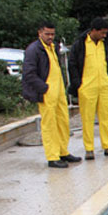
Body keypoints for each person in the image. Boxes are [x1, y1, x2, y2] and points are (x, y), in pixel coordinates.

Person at [22, 21, 81, 168]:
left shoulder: (52, 47)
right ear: (40, 33)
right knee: (49, 124)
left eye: (52, 34)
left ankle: (63, 151)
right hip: (47, 91)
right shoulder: (34, 49)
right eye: (47, 34)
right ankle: (52, 156)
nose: (50, 37)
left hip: (59, 90)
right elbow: (29, 73)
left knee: (62, 122)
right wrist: (44, 88)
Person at [68, 18, 108, 160]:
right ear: (94, 31)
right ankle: (89, 148)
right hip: (87, 86)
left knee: (107, 118)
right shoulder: (80, 44)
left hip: (105, 85)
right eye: (102, 33)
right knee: (87, 119)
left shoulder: (107, 42)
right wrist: (78, 84)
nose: (104, 35)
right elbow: (72, 64)